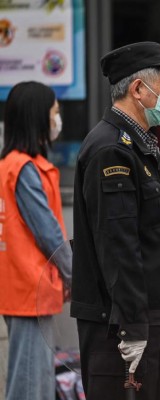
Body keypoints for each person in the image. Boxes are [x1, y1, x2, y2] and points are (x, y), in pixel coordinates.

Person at [71, 41, 160, 400]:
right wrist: (133, 326)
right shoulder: (113, 149)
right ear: (139, 90)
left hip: (140, 319)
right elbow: (118, 244)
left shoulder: (137, 147)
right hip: (120, 328)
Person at [0, 81, 72, 400]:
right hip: (30, 288)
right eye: (55, 112)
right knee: (31, 384)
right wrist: (76, 277)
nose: (58, 119)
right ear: (37, 117)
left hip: (23, 286)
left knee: (34, 378)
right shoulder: (24, 169)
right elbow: (49, 233)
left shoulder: (11, 166)